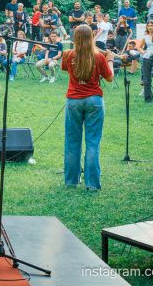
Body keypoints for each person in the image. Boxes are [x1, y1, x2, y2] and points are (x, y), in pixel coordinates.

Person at [61, 24, 114, 191]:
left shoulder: (68, 54)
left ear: (75, 38)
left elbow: (65, 68)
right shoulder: (98, 57)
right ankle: (91, 184)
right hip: (94, 101)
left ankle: (71, 181)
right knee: (92, 143)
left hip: (74, 101)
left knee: (72, 142)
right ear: (91, 37)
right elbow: (110, 78)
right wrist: (110, 59)